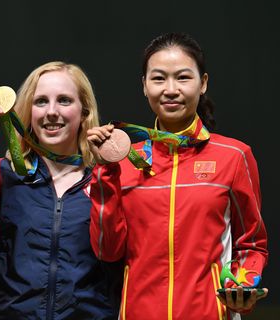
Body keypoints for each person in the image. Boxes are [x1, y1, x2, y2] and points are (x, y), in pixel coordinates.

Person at [87, 32, 269, 319]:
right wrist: (105, 171)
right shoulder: (123, 162)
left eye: (183, 77)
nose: (170, 89)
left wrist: (242, 285)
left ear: (203, 83)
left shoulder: (234, 156)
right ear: (144, 86)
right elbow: (107, 250)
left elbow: (252, 244)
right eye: (158, 79)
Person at [0, 61, 123, 319]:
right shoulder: (6, 174)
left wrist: (106, 176)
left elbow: (116, 252)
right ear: (27, 111)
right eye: (40, 101)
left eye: (64, 100)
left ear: (84, 112)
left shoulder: (105, 179)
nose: (51, 111)